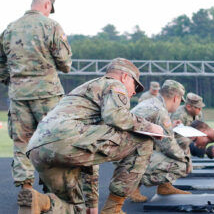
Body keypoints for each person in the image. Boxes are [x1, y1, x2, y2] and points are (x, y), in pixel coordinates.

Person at [22, 58, 164, 214]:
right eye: (135, 85)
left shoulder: (82, 91)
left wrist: (91, 203)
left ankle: (41, 201)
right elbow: (117, 116)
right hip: (66, 141)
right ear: (124, 77)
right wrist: (150, 126)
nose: (135, 91)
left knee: (75, 209)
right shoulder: (114, 84)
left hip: (38, 149)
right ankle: (113, 209)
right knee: (143, 140)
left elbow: (90, 154)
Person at [0, 0, 72, 193]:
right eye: (50, 8)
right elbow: (65, 64)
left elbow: (1, 66)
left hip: (18, 96)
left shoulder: (10, 29)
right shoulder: (51, 26)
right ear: (47, 4)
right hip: (47, 95)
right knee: (52, 140)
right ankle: (53, 190)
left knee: (22, 142)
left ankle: (26, 189)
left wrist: (15, 81)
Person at [129, 80, 192, 203]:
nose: (179, 104)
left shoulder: (152, 103)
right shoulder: (160, 111)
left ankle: (165, 186)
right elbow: (168, 145)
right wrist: (186, 160)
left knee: (173, 149)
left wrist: (171, 128)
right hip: (130, 155)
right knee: (181, 164)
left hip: (127, 149)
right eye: (180, 101)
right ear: (175, 98)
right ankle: (133, 184)